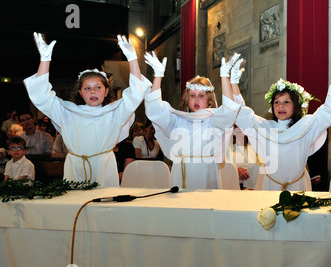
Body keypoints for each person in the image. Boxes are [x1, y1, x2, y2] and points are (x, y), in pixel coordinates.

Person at [24, 32, 151, 187]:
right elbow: (41, 95)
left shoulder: (114, 111)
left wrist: (132, 58)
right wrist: (45, 60)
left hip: (104, 167)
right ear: (80, 93)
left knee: (104, 207)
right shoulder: (67, 111)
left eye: (98, 87)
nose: (92, 91)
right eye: (87, 88)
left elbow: (137, 92)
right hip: (75, 167)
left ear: (106, 91)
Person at [227, 49, 331, 191]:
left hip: (298, 186)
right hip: (270, 186)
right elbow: (242, 114)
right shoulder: (265, 127)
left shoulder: (306, 126)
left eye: (287, 102)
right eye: (277, 102)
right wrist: (234, 83)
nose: (281, 106)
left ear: (296, 106)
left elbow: (329, 110)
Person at [144, 51, 241, 189]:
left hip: (207, 173)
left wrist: (224, 76)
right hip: (181, 172)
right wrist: (158, 76)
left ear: (210, 100)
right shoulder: (177, 120)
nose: (196, 99)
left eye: (201, 96)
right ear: (186, 98)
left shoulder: (214, 120)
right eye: (192, 95)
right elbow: (155, 111)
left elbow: (229, 111)